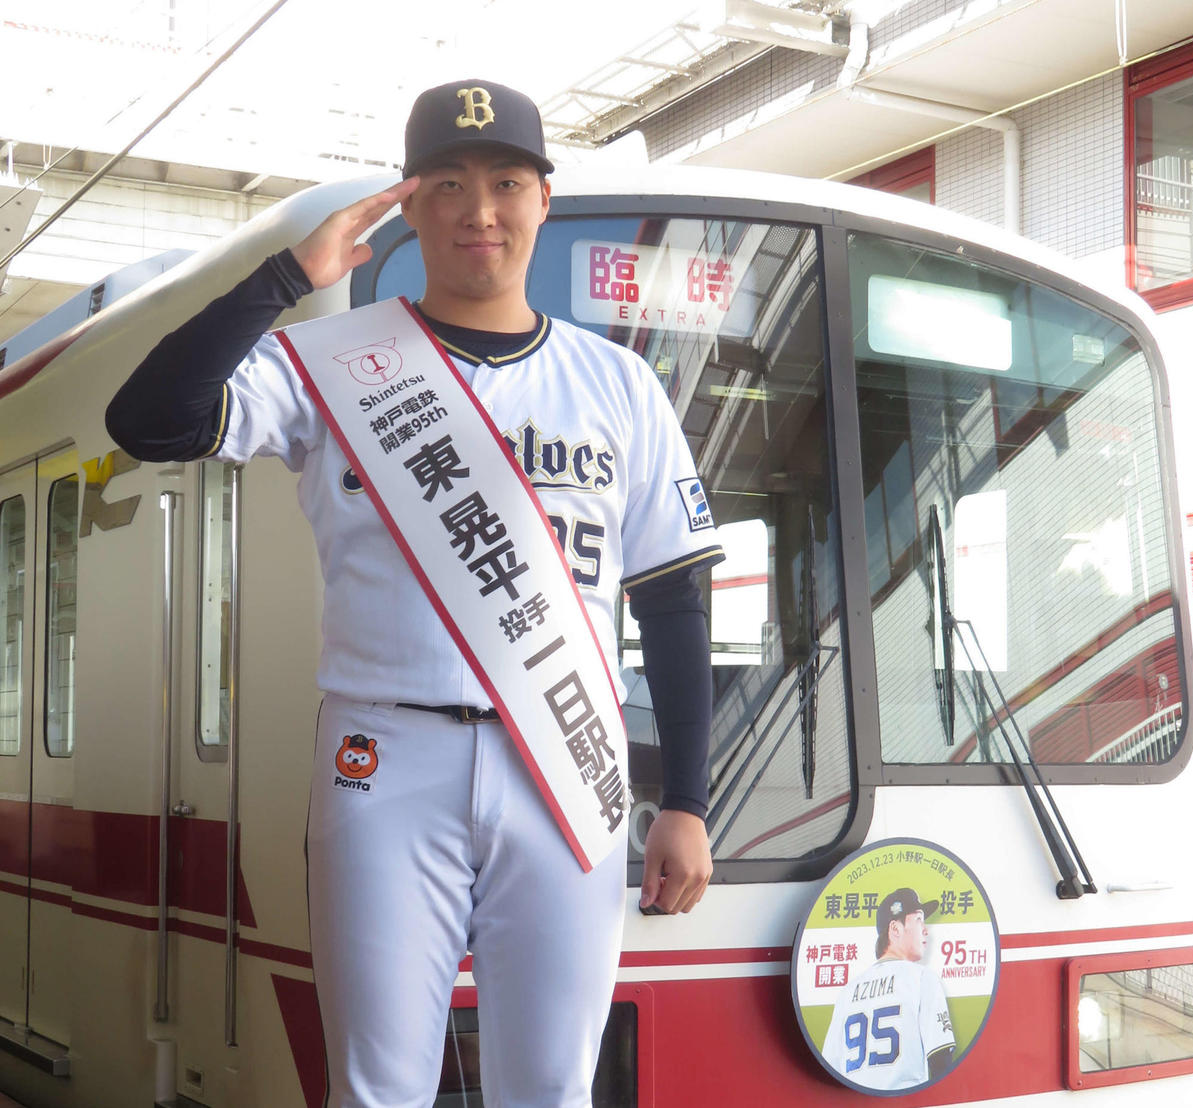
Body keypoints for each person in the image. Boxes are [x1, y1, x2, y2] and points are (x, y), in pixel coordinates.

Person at [106, 79, 722, 1108]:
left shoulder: (617, 385)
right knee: (377, 1088)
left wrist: (690, 801)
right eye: (447, 184)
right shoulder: (331, 363)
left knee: (550, 1088)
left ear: (543, 199)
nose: (478, 210)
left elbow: (672, 597)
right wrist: (282, 280)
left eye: (506, 182)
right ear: (409, 203)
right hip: (382, 757)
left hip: (564, 754)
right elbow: (150, 419)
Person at [826, 887, 956, 1091]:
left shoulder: (847, 992)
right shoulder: (922, 978)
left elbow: (829, 1071)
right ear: (895, 929)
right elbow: (941, 1061)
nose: (925, 929)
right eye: (919, 919)